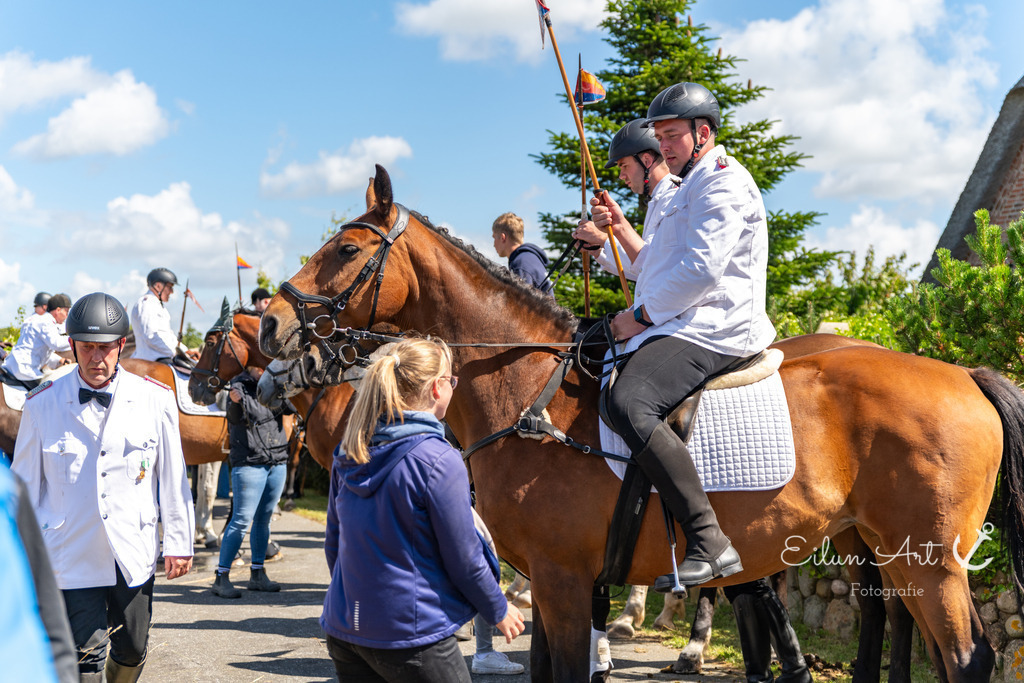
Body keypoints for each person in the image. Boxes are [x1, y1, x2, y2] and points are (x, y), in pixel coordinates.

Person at [577, 117, 810, 683]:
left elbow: (700, 272)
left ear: (702, 133)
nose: (662, 145)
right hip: (683, 321)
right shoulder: (689, 186)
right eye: (659, 136)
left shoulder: (720, 182)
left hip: (716, 328)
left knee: (629, 402)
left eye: (672, 135)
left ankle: (708, 537)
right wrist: (610, 239)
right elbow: (650, 266)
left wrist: (634, 318)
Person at [11, 291, 195, 682]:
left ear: (121, 346)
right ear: (73, 346)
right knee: (86, 655)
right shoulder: (42, 404)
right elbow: (23, 489)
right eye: (87, 348)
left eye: (106, 348)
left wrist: (179, 541)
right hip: (70, 550)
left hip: (133, 547)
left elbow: (172, 478)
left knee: (132, 647)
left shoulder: (155, 400)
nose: (97, 358)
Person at [322, 337, 525, 682]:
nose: (453, 386)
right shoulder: (438, 458)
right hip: (410, 633)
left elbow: (334, 543)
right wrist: (498, 607)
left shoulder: (350, 449)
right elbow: (464, 557)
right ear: (436, 388)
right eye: (451, 379)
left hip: (344, 625)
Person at [211, 366, 292, 598]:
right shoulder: (238, 386)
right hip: (249, 462)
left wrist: (284, 387)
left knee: (264, 520)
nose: (262, 368)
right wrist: (235, 402)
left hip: (277, 460)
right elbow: (234, 419)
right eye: (258, 364)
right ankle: (221, 577)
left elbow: (292, 408)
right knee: (241, 520)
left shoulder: (275, 383)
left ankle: (257, 574)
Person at [1, 293, 73, 389]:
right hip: (24, 369)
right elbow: (57, 344)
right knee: (49, 390)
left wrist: (59, 360)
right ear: (58, 310)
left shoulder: (37, 319)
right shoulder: (46, 321)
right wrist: (76, 340)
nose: (66, 316)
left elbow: (40, 351)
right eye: (66, 311)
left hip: (15, 364)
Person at [130, 267, 198, 362]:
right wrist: (176, 353)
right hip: (151, 358)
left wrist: (186, 351)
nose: (172, 292)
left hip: (163, 355)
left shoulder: (158, 305)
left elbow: (168, 336)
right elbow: (151, 336)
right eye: (170, 287)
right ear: (158, 286)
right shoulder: (147, 303)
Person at [492, 212, 554, 296]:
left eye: (494, 237)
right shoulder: (529, 258)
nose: (493, 244)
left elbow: (521, 305)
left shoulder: (520, 264)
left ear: (503, 237)